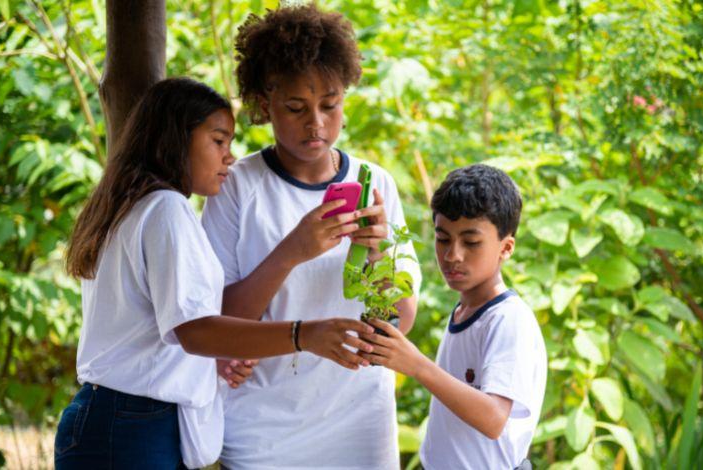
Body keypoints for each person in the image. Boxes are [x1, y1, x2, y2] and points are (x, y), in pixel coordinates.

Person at [55, 77, 375, 469]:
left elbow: (153, 335)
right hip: (130, 427)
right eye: (218, 140)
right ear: (176, 139)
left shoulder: (132, 206)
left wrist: (209, 363)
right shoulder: (165, 209)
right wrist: (303, 335)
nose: (229, 156)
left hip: (121, 419)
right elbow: (195, 331)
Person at [201, 4, 421, 469]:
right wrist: (290, 253)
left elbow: (399, 322)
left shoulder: (375, 184)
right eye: (296, 108)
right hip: (262, 431)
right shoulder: (237, 187)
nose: (316, 123)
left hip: (361, 423)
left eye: (330, 105)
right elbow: (215, 324)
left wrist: (376, 252)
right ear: (265, 104)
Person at [361, 164, 547, 470]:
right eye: (443, 239)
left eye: (471, 242)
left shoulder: (509, 320)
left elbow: (493, 419)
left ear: (506, 248)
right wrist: (374, 251)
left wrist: (417, 365)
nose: (452, 255)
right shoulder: (465, 311)